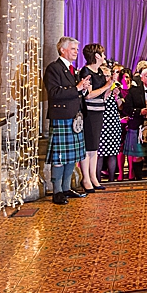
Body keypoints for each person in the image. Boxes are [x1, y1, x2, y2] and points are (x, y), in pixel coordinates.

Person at [44, 37, 91, 204]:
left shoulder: (73, 70)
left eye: (77, 49)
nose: (76, 52)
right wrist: (77, 88)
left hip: (75, 118)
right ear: (63, 50)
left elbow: (75, 93)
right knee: (60, 156)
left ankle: (66, 188)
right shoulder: (54, 68)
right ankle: (57, 191)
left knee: (72, 157)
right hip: (62, 118)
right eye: (73, 49)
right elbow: (54, 93)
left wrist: (83, 90)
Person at [79, 44, 110, 192]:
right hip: (89, 112)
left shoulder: (99, 72)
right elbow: (88, 95)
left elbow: (103, 96)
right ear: (96, 56)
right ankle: (85, 178)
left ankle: (93, 176)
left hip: (99, 110)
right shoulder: (86, 71)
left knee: (95, 147)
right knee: (88, 146)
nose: (104, 57)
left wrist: (110, 88)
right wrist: (106, 86)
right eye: (102, 54)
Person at [97, 63, 124, 183]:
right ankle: (96, 179)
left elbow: (121, 107)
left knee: (113, 152)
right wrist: (107, 90)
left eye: (109, 75)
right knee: (99, 154)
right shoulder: (98, 89)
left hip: (113, 123)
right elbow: (99, 101)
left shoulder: (114, 88)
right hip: (101, 123)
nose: (107, 78)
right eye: (105, 75)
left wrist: (117, 96)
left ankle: (112, 178)